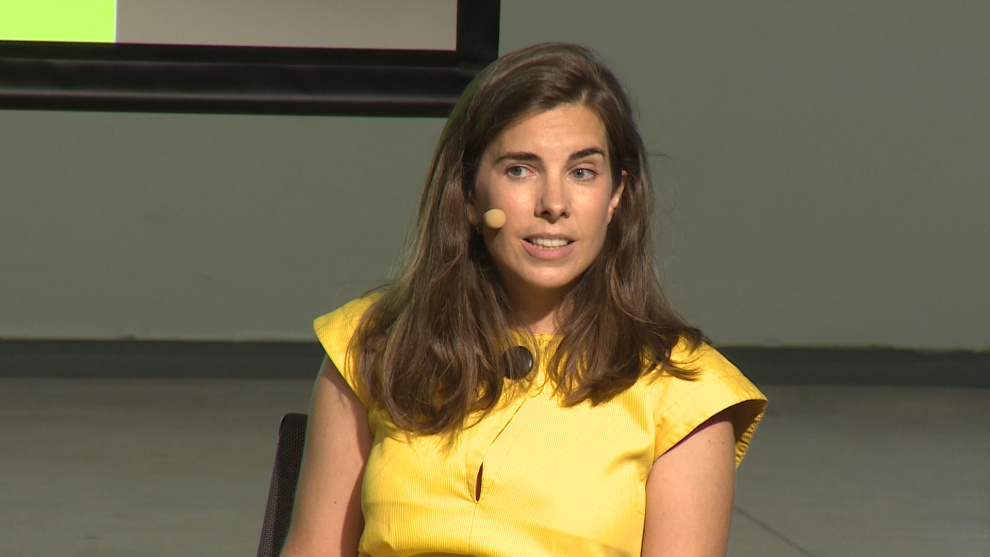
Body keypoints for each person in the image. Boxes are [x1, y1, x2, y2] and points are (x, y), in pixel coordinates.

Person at [281, 42, 767, 557]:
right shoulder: (372, 345)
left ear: (616, 197)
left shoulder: (685, 392)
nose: (554, 204)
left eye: (582, 172)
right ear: (470, 195)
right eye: (520, 169)